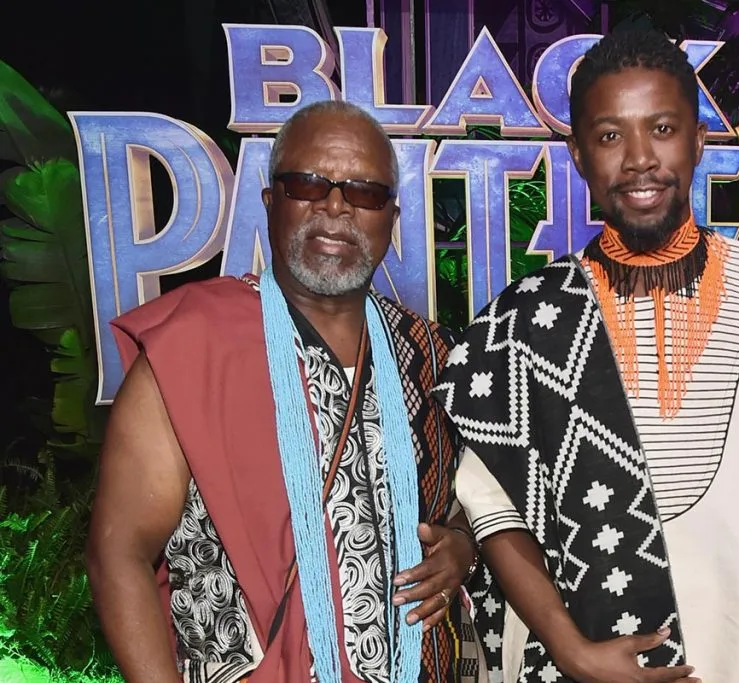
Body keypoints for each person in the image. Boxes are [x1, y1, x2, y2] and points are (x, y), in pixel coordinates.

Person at [433, 29, 739, 683]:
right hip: (583, 663)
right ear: (578, 155)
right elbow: (495, 512)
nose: (638, 159)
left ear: (698, 139)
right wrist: (572, 650)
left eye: (661, 128)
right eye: (609, 135)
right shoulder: (525, 320)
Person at [86, 100, 481, 683]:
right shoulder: (195, 344)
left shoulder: (431, 354)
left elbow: (467, 505)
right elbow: (118, 552)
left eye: (365, 193)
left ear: (391, 218)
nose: (336, 207)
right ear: (271, 202)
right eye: (308, 185)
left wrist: (463, 548)